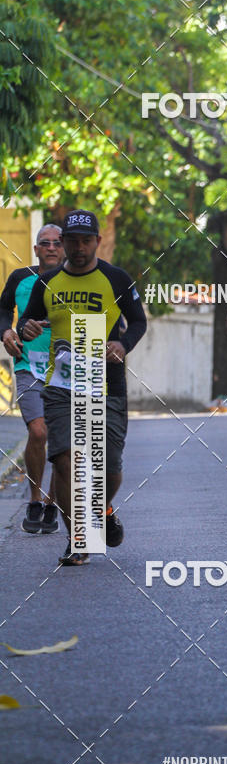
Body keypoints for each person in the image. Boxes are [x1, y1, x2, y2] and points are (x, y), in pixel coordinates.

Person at [17, 210, 147, 565]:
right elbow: (27, 318)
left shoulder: (116, 280)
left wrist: (123, 345)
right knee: (64, 462)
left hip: (106, 384)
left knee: (108, 466)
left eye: (85, 240)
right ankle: (80, 538)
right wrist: (26, 328)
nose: (78, 247)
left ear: (97, 242)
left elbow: (138, 322)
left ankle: (101, 509)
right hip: (60, 385)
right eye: (71, 241)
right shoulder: (49, 281)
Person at [0, 224, 64, 533]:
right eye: (44, 243)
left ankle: (53, 503)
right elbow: (3, 310)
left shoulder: (76, 281)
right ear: (36, 249)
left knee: (62, 441)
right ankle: (35, 499)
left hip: (67, 368)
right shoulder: (20, 278)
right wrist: (6, 331)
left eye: (56, 243)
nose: (51, 247)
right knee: (38, 432)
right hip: (29, 366)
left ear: (64, 249)